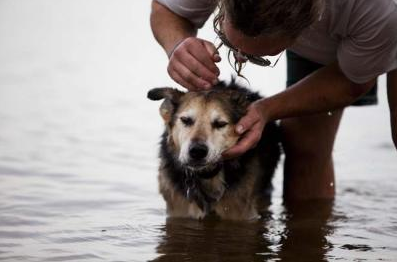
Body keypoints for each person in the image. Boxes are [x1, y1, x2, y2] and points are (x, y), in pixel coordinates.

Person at [150, 0, 397, 200]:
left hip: (377, 25)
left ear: (306, 30)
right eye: (226, 41)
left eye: (259, 58)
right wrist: (178, 44)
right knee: (303, 144)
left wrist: (267, 110)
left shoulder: (377, 10)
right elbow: (167, 8)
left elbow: (353, 81)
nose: (240, 59)